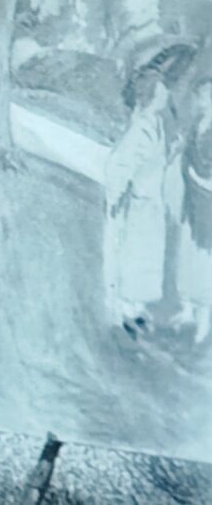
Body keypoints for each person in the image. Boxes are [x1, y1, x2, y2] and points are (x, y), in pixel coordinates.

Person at [102, 67, 172, 337]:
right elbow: (120, 166)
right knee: (132, 256)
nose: (165, 92)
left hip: (151, 202)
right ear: (151, 94)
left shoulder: (155, 124)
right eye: (161, 88)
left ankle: (136, 308)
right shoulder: (141, 127)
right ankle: (125, 312)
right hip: (138, 203)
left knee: (146, 257)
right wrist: (116, 196)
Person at [168, 76, 212, 343]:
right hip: (192, 201)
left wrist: (196, 178)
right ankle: (186, 310)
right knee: (186, 254)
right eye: (201, 96)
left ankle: (203, 321)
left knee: (205, 260)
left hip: (208, 206)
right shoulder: (198, 123)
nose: (202, 100)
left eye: (206, 95)